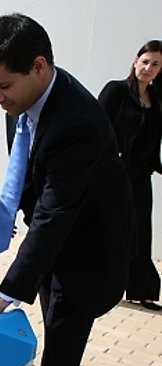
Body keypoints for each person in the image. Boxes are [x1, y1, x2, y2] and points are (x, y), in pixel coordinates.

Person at [0, 14, 135, 366]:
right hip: (53, 245)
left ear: (38, 67)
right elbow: (30, 177)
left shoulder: (78, 122)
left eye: (2, 86)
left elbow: (57, 212)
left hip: (86, 257)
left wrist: (2, 296)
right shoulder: (23, 100)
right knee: (52, 345)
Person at [98, 40, 162, 311]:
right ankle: (97, 284)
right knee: (109, 231)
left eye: (155, 64)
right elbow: (97, 128)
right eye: (145, 61)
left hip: (140, 176)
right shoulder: (116, 91)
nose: (148, 68)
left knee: (141, 233)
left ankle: (142, 290)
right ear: (135, 61)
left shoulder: (157, 98)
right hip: (113, 176)